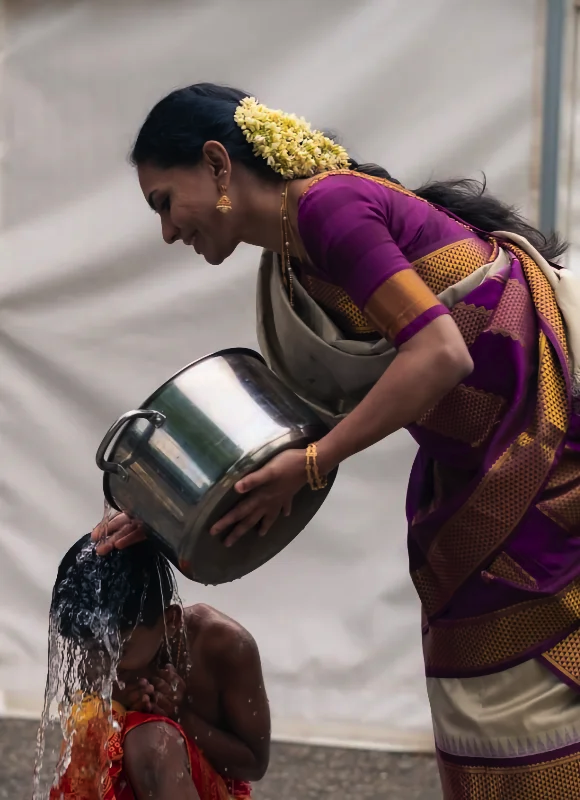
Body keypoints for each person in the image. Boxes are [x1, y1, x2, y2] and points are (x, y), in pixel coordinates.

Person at [94, 83, 580, 798]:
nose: (168, 230)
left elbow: (442, 355)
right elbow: (288, 426)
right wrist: (160, 510)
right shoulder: (292, 255)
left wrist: (317, 464)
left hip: (538, 451)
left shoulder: (328, 208)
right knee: (484, 692)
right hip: (475, 470)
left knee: (526, 687)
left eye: (165, 201)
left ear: (218, 164)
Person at [50, 533, 270, 800]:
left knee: (153, 741)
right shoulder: (94, 647)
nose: (105, 663)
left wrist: (180, 715)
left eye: (120, 649)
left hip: (209, 790)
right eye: (94, 649)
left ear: (171, 620)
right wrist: (115, 703)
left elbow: (254, 764)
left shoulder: (224, 646)